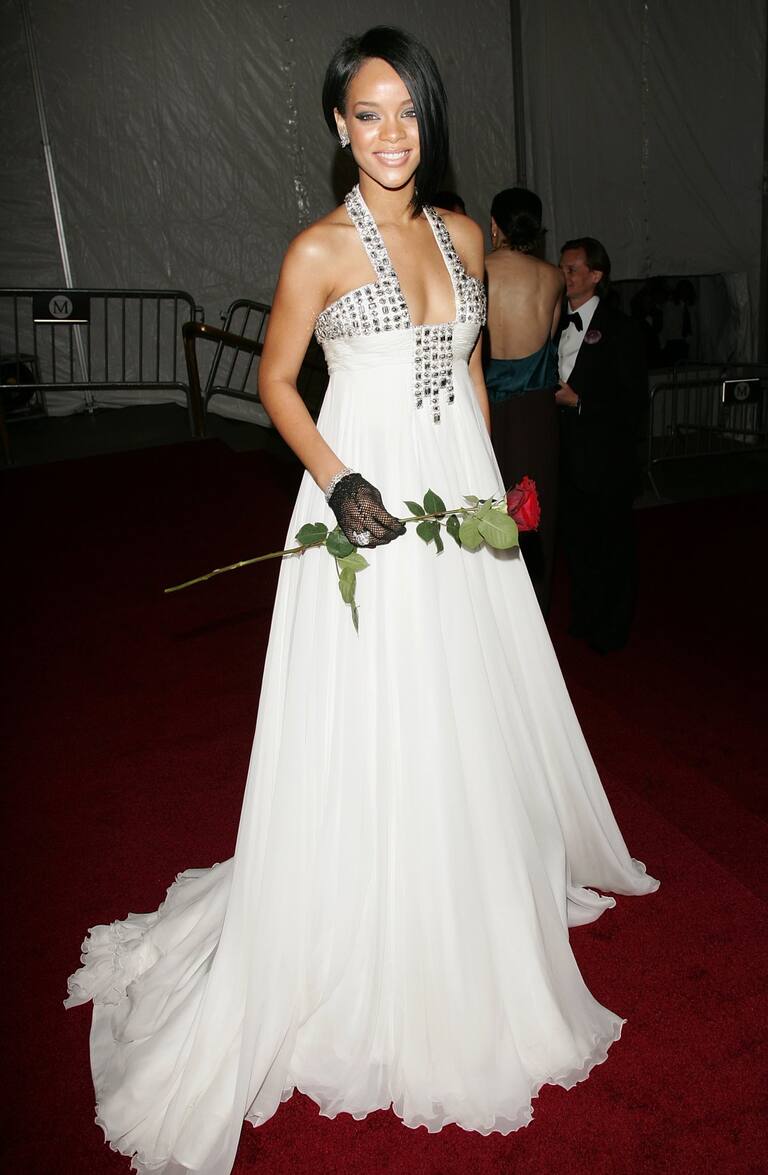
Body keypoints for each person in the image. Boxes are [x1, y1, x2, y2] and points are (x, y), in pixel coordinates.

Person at [66, 28, 658, 1175]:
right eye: (368, 113)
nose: (392, 134)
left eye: (409, 112)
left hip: (454, 500)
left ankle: (470, 880)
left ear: (429, 123)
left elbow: (470, 367)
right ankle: (371, 902)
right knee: (382, 706)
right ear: (340, 126)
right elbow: (275, 382)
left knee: (466, 699)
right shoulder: (317, 249)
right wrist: (338, 480)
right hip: (364, 504)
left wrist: (491, 494)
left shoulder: (464, 234)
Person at [557, 237, 648, 653]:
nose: (564, 275)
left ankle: (613, 627)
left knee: (612, 546)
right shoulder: (554, 321)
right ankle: (585, 615)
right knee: (577, 543)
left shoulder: (621, 328)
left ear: (596, 275)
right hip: (567, 457)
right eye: (562, 268)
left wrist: (580, 402)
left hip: (607, 459)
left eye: (572, 269)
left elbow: (633, 402)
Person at [484, 187, 564, 613]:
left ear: (494, 225)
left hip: (485, 408)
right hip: (536, 412)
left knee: (483, 505)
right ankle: (533, 613)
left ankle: (491, 614)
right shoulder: (552, 277)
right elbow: (549, 336)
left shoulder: (475, 270)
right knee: (534, 510)